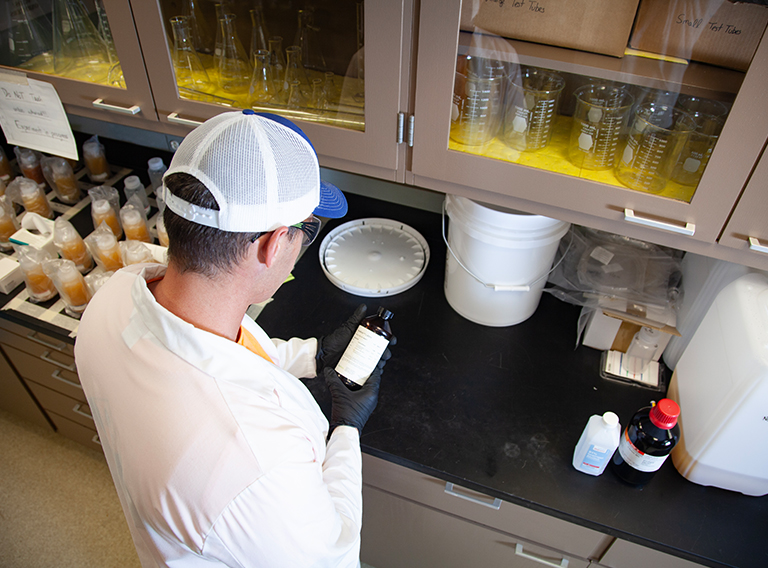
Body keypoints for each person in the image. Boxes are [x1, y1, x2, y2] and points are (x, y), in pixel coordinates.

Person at [75, 110, 392, 567]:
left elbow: (216, 359)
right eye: (306, 230)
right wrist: (346, 428)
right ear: (272, 244)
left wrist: (312, 354)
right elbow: (332, 553)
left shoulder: (116, 298)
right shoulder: (258, 464)